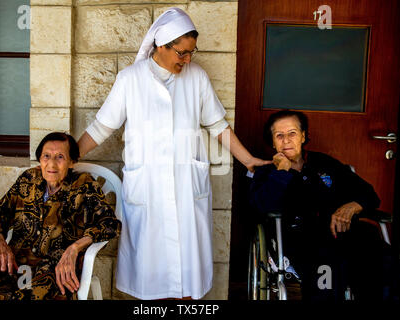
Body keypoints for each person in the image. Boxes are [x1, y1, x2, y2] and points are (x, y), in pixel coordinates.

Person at [77, 8, 269, 300]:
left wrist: (249, 160)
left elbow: (217, 124)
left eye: (191, 52)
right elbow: (102, 127)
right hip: (148, 189)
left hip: (186, 187)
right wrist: (67, 156)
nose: (187, 60)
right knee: (151, 272)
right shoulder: (131, 79)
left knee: (186, 273)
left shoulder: (197, 77)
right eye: (182, 53)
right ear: (161, 46)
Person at [248, 110, 387, 300]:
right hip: (305, 241)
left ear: (303, 136)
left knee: (383, 260)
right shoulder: (266, 173)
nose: (286, 140)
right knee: (327, 270)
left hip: (345, 233)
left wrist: (352, 206)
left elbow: (368, 193)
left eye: (292, 133)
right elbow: (263, 206)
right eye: (279, 135)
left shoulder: (324, 163)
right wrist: (282, 172)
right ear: (272, 142)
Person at [0, 132, 121, 300]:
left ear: (71, 162)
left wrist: (74, 248)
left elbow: (109, 224)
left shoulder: (84, 185)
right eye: (46, 156)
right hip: (15, 264)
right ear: (40, 160)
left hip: (54, 270)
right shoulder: (28, 179)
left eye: (60, 157)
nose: (52, 163)